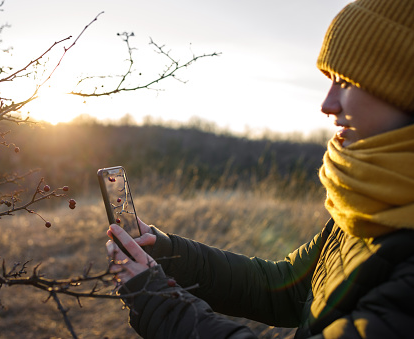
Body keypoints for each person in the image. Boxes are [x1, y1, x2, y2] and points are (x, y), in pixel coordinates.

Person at [105, 0, 414, 337]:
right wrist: (165, 251)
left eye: (346, 81)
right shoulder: (370, 204)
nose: (327, 104)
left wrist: (158, 303)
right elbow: (285, 288)